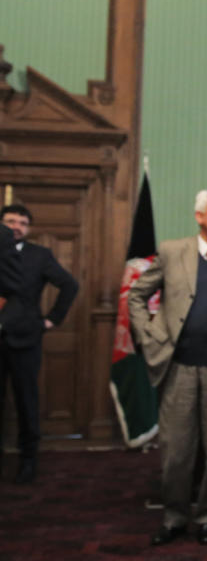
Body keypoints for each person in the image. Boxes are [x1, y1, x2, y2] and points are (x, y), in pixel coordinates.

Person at [128, 189, 207, 547]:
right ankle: (174, 516)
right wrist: (149, 333)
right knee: (176, 450)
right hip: (177, 367)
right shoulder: (171, 251)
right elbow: (137, 295)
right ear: (199, 216)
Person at [0, 205, 78, 484]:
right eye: (10, 221)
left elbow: (70, 285)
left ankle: (28, 460)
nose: (16, 227)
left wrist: (51, 320)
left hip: (25, 338)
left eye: (22, 223)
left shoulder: (39, 255)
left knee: (26, 401)